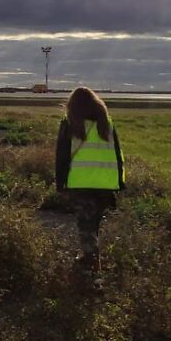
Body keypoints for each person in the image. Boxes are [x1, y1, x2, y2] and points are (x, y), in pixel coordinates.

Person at [55, 86, 125, 283]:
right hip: (104, 184)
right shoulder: (107, 125)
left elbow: (61, 156)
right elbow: (118, 156)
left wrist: (60, 184)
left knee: (85, 226)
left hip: (81, 183)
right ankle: (91, 261)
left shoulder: (70, 124)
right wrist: (120, 183)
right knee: (93, 226)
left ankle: (91, 270)